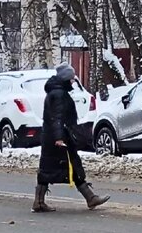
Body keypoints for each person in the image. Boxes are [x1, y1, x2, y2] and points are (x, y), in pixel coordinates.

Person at [34, 63, 110, 212]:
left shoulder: (56, 92)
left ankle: (40, 201)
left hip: (53, 137)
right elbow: (57, 117)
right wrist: (59, 137)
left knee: (53, 167)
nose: (74, 81)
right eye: (72, 78)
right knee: (65, 166)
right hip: (58, 138)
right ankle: (89, 198)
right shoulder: (59, 94)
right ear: (65, 79)